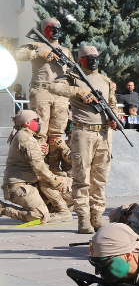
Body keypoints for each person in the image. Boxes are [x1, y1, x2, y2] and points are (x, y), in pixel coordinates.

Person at [46, 45, 116, 233]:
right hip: (82, 133)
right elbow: (53, 86)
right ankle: (83, 219)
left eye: (96, 57)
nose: (93, 60)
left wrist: (115, 119)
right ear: (80, 60)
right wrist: (79, 92)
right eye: (88, 58)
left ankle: (96, 216)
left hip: (103, 134)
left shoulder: (105, 81)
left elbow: (112, 105)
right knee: (82, 178)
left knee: (99, 179)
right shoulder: (72, 77)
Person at [14, 18, 73, 175]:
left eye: (58, 28)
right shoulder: (36, 45)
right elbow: (17, 54)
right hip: (41, 92)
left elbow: (73, 73)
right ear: (44, 29)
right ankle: (38, 167)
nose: (55, 31)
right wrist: (39, 53)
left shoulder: (65, 51)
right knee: (40, 131)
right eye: (51, 28)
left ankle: (53, 167)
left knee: (56, 132)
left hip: (60, 94)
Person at [0, 110, 71, 223]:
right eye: (36, 120)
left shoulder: (27, 137)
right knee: (40, 216)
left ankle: (58, 210)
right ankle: (3, 209)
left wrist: (42, 151)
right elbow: (38, 166)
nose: (38, 123)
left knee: (63, 195)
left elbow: (31, 159)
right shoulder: (25, 138)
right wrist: (54, 180)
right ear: (27, 123)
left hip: (30, 184)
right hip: (20, 187)